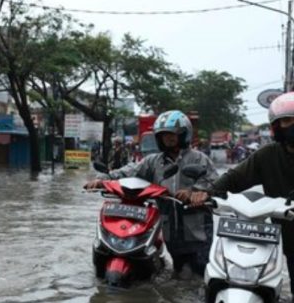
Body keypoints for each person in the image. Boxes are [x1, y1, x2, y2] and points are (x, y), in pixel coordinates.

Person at [84, 110, 218, 275]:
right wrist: (104, 179)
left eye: (172, 134)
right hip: (171, 231)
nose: (168, 138)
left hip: (197, 230)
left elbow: (214, 182)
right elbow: (130, 171)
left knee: (199, 273)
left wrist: (196, 192)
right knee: (178, 273)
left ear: (183, 134)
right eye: (163, 135)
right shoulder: (154, 162)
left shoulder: (199, 159)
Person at [190, 92, 294, 295]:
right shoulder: (268, 155)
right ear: (276, 127)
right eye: (286, 121)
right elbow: (234, 178)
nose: (290, 126)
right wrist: (208, 193)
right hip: (289, 240)